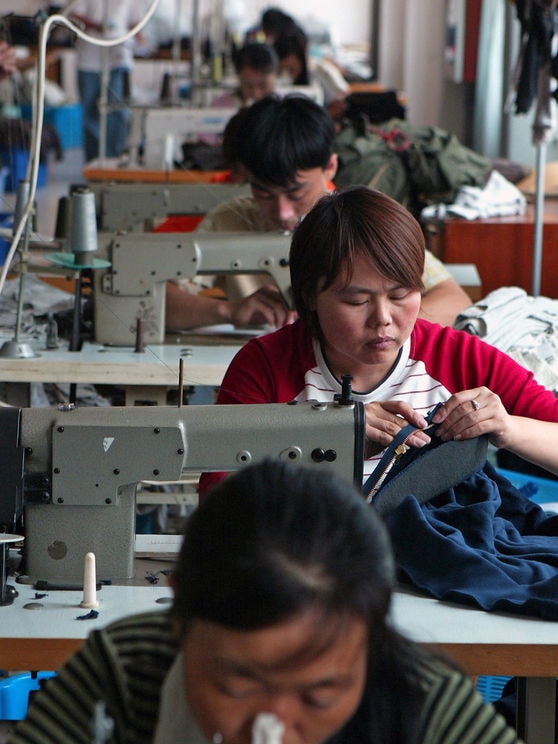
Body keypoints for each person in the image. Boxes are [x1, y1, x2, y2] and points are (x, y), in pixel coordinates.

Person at [8, 459, 521, 744]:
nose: (269, 733)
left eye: (319, 697)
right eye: (235, 685)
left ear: (372, 646)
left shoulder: (427, 710)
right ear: (179, 620)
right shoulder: (126, 670)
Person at [198, 187, 558, 497]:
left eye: (401, 295)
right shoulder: (263, 366)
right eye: (357, 301)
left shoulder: (460, 358)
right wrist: (324, 442)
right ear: (308, 296)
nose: (382, 318)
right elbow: (218, 498)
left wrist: (508, 427)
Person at [165, 95, 471, 331]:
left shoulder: (363, 220)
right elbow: (158, 299)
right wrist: (229, 311)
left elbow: (454, 299)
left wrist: (382, 326)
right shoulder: (229, 219)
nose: (282, 212)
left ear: (331, 167)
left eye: (296, 193)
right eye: (263, 193)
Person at [70, 0, 143, 162]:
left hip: (118, 56)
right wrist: (97, 26)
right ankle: (94, 161)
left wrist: (141, 42)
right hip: (89, 58)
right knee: (90, 113)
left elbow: (135, 22)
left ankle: (113, 159)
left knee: (117, 109)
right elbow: (74, 13)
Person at [212, 41, 279, 108]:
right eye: (248, 86)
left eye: (263, 86)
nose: (256, 94)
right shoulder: (220, 107)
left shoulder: (284, 109)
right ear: (238, 77)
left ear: (276, 75)